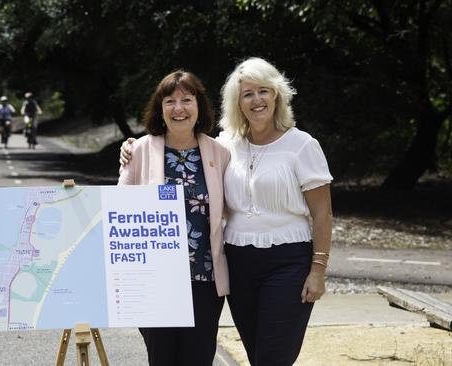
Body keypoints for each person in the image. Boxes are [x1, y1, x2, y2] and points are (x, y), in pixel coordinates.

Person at [121, 58, 333, 365]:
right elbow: (126, 206)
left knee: (273, 357)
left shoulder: (302, 145)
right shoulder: (225, 147)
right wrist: (130, 146)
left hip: (286, 261)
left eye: (263, 91)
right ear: (237, 102)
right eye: (247, 94)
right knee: (256, 353)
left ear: (277, 95)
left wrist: (318, 270)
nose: (256, 100)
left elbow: (323, 215)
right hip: (237, 264)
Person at [118, 70, 230, 366]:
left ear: (199, 106)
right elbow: (119, 212)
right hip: (155, 282)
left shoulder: (220, 153)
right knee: (162, 359)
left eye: (186, 100)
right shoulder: (139, 150)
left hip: (204, 280)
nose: (178, 108)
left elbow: (233, 207)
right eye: (170, 101)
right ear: (160, 108)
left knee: (198, 359)